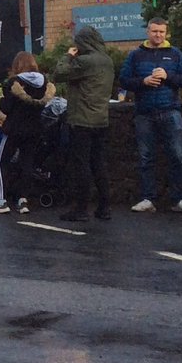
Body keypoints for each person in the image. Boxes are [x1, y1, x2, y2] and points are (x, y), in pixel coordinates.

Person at [118, 17, 182, 214]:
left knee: (177, 157)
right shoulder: (136, 55)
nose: (158, 35)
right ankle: (147, 198)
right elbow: (124, 80)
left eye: (162, 32)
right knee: (146, 157)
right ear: (148, 32)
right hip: (144, 112)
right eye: (155, 31)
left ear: (166, 32)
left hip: (170, 109)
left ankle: (179, 199)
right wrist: (143, 81)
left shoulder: (175, 53)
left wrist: (168, 77)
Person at [56, 25, 115, 222]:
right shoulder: (107, 60)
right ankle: (104, 207)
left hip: (81, 120)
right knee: (98, 162)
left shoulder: (84, 61)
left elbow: (60, 74)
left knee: (81, 164)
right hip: (101, 119)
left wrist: (68, 56)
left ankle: (81, 208)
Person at [0, 52, 55, 215]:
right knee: (27, 164)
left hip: (14, 129)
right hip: (34, 130)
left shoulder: (14, 82)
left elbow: (6, 108)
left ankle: (1, 201)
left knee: (0, 161)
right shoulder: (44, 83)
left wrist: (2, 100)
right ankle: (22, 200)